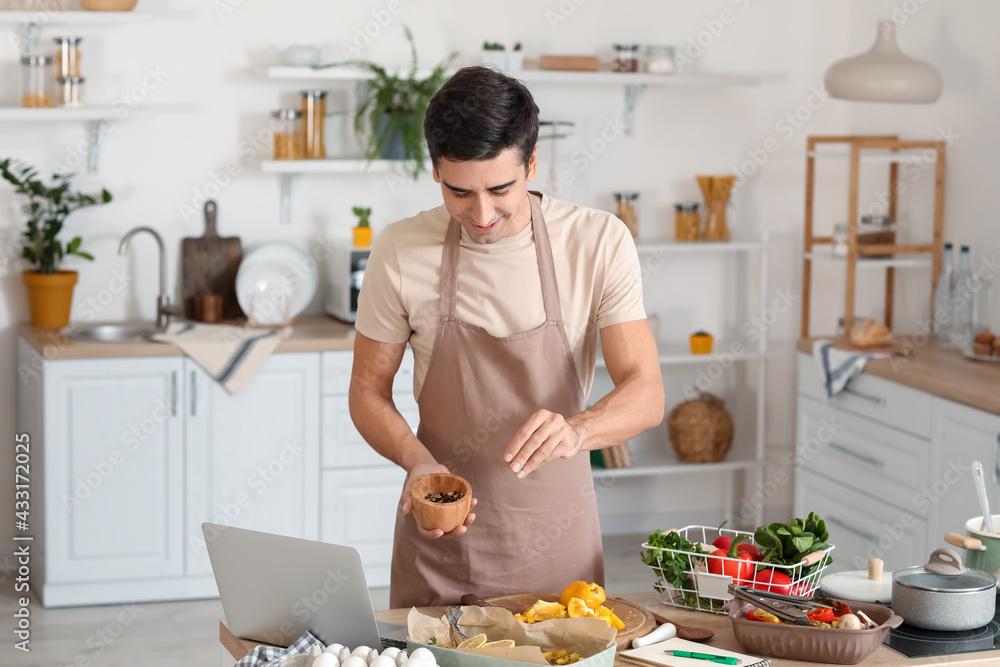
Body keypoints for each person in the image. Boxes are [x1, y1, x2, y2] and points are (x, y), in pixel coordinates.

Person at [349, 66, 664, 608]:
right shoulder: (401, 250)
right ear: (435, 171)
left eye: (500, 189)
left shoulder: (598, 242)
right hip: (441, 549)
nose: (482, 214)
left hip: (558, 554)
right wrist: (416, 460)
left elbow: (646, 391)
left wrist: (577, 431)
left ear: (532, 163)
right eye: (458, 192)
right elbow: (367, 390)